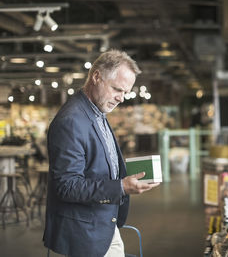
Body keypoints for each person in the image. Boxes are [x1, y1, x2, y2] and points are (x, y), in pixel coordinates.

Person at [43, 50, 159, 257]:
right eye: (117, 89)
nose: (121, 98)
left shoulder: (97, 112)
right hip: (85, 234)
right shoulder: (71, 121)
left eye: (125, 92)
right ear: (96, 77)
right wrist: (120, 187)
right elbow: (66, 186)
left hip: (103, 225)